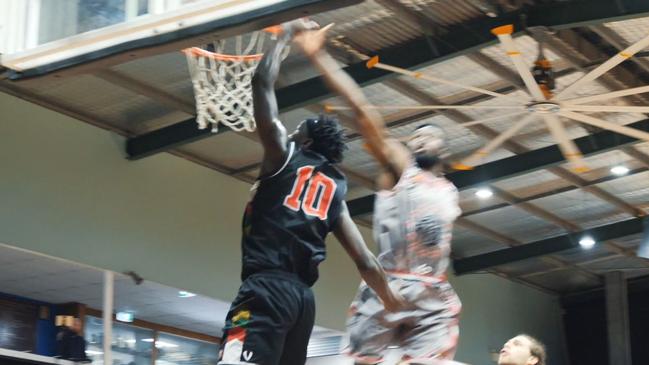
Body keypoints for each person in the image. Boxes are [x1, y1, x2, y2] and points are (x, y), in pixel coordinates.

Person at [217, 19, 405, 365]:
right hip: (302, 303)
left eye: (295, 130)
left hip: (266, 290)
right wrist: (392, 301)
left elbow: (261, 82)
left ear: (304, 141)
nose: (287, 133)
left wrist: (285, 34)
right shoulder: (334, 188)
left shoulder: (283, 155)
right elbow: (365, 260)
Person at [294, 25, 464, 365]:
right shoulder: (401, 168)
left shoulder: (449, 190)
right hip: (390, 283)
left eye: (427, 136)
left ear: (444, 148)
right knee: (363, 361)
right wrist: (318, 55)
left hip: (432, 288)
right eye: (414, 137)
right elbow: (361, 109)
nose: (418, 141)